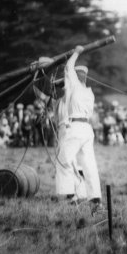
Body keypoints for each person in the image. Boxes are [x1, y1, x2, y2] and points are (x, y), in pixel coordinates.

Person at [39, 46, 102, 208]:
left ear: (75, 78)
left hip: (73, 127)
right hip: (87, 130)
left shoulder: (74, 86)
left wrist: (76, 52)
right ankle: (95, 198)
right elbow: (51, 93)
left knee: (63, 161)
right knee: (89, 164)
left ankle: (70, 196)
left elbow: (68, 67)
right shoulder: (89, 93)